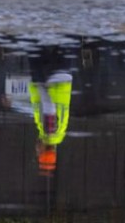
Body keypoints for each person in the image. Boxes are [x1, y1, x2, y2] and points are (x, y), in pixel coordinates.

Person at [27, 47, 73, 176]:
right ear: (43, 150)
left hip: (63, 76)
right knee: (33, 43)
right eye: (38, 153)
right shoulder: (49, 132)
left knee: (64, 38)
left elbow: (37, 107)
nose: (36, 150)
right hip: (50, 78)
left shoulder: (58, 134)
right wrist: (40, 85)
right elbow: (49, 107)